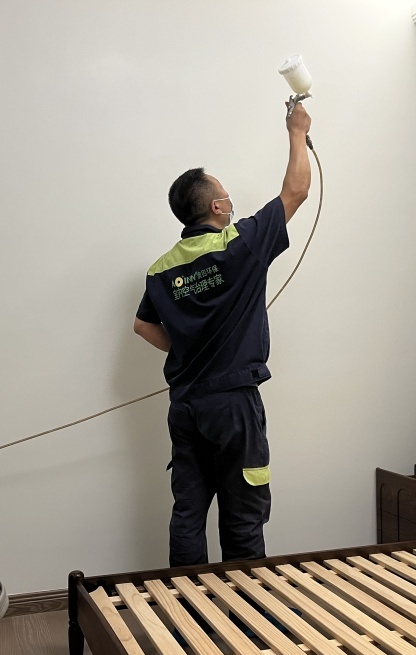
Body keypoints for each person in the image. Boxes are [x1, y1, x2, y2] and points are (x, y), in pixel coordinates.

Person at [133, 102, 312, 567]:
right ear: (216, 207)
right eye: (227, 198)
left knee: (188, 513)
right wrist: (297, 132)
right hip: (233, 406)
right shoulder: (240, 244)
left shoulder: (161, 269)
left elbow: (142, 325)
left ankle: (184, 605)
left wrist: (185, 345)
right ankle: (245, 607)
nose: (232, 205)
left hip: (186, 406)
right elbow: (296, 191)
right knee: (243, 512)